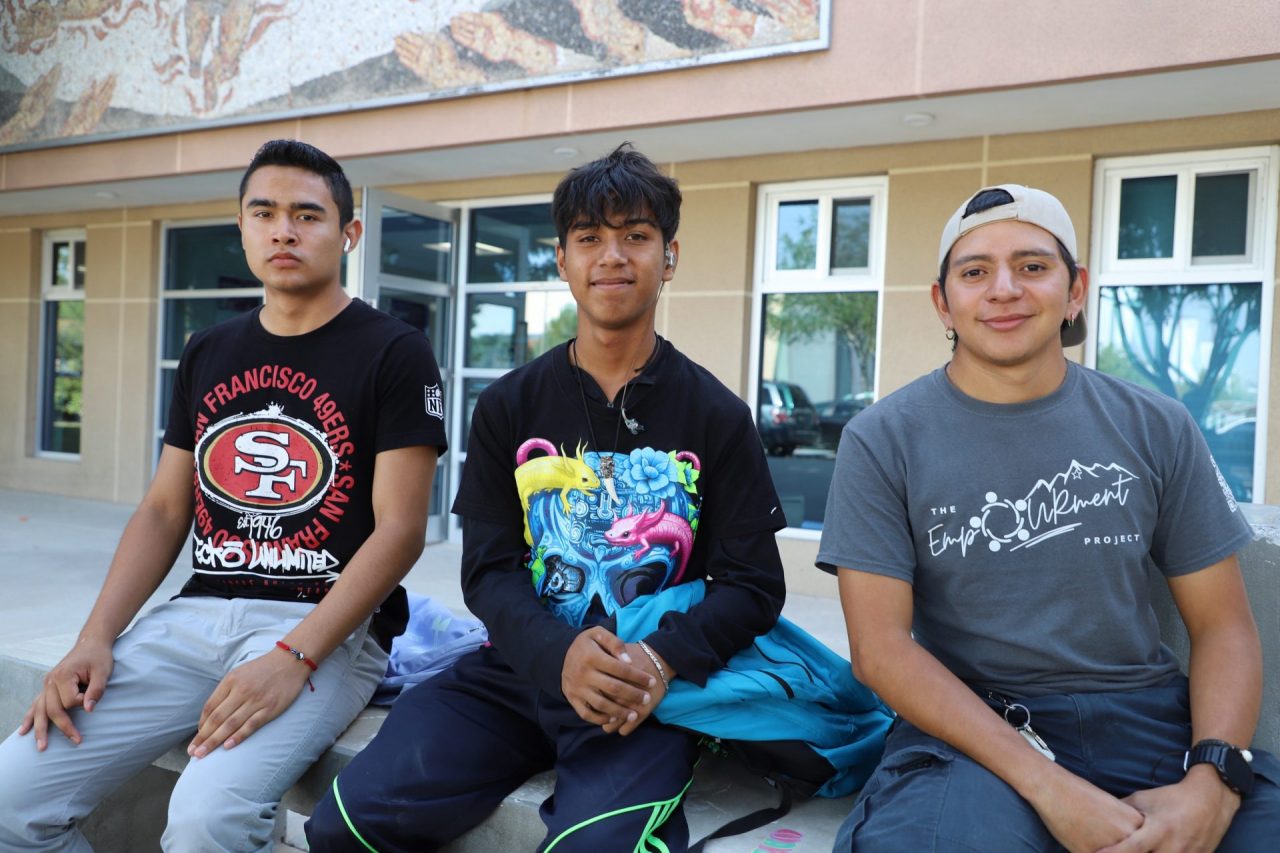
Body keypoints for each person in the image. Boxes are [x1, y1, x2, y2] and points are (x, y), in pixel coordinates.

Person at [306, 143, 787, 852]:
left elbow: (753, 584)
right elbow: (488, 570)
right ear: (561, 260)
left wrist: (660, 659)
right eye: (589, 238)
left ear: (670, 257)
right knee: (345, 825)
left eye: (636, 236)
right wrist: (557, 653)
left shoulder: (717, 415)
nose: (612, 256)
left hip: (640, 693)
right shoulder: (509, 405)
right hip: (515, 672)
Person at [0, 139, 447, 851]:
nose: (283, 231)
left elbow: (400, 530)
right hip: (195, 618)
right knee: (11, 796)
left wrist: (294, 657)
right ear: (241, 227)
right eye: (263, 213)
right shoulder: (208, 349)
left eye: (307, 215)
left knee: (208, 819)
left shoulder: (395, 351)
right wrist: (94, 638)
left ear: (349, 233)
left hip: (325, 629)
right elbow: (163, 510)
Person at [818, 184, 1280, 851]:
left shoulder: (1157, 425)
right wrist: (1048, 784)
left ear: (1075, 289)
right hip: (973, 739)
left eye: (1032, 266)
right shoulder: (883, 438)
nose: (1004, 289)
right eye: (975, 272)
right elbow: (881, 651)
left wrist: (1212, 780)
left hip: (1150, 726)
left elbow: (1224, 626)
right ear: (943, 301)